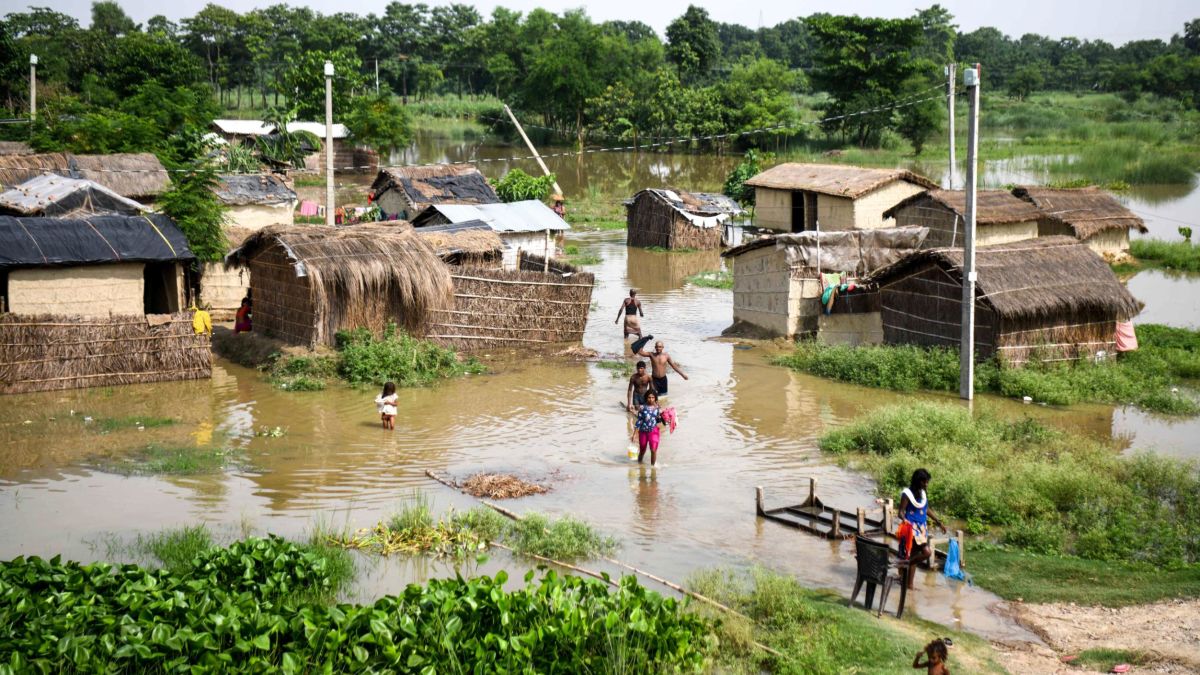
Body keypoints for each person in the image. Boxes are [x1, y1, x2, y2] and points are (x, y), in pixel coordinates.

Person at [898, 468, 947, 590]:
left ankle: (909, 584)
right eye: (924, 482)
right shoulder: (907, 494)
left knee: (914, 554)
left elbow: (926, 509)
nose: (926, 484)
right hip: (911, 527)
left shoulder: (923, 493)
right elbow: (900, 512)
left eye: (927, 482)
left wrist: (938, 521)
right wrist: (905, 520)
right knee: (927, 552)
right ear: (917, 481)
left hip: (922, 528)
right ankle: (905, 565)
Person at [631, 391, 666, 466]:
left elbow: (659, 420)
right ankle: (639, 465)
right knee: (642, 451)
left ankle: (653, 468)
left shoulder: (657, 408)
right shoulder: (642, 408)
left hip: (654, 431)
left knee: (653, 450)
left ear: (655, 398)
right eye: (649, 397)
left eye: (653, 397)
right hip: (643, 432)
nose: (651, 399)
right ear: (646, 398)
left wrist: (664, 417)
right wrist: (634, 434)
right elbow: (639, 421)